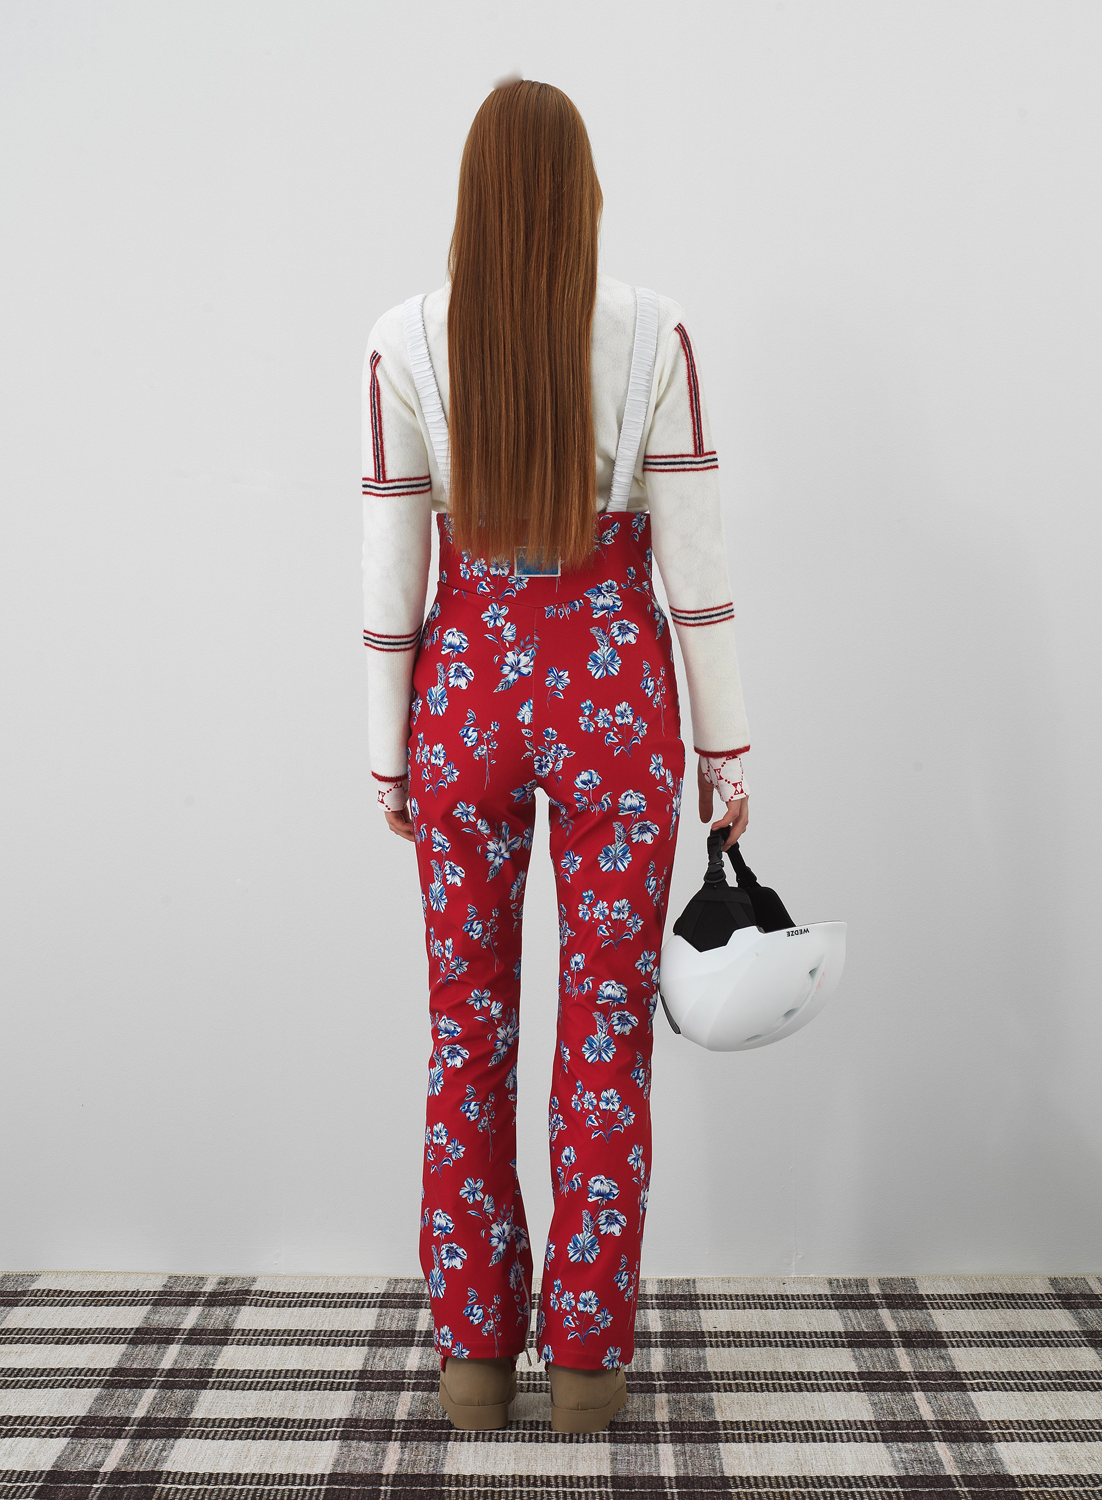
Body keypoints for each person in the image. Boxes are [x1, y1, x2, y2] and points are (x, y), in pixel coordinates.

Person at [361, 79, 750, 1434]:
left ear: (471, 197)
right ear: (584, 194)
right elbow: (696, 577)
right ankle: (585, 1363)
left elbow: (393, 567)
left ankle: (473, 1358)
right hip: (612, 699)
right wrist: (724, 752)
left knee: (465, 1029)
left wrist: (386, 752)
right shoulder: (655, 334)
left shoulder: (405, 339)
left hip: (464, 691)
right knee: (603, 1031)